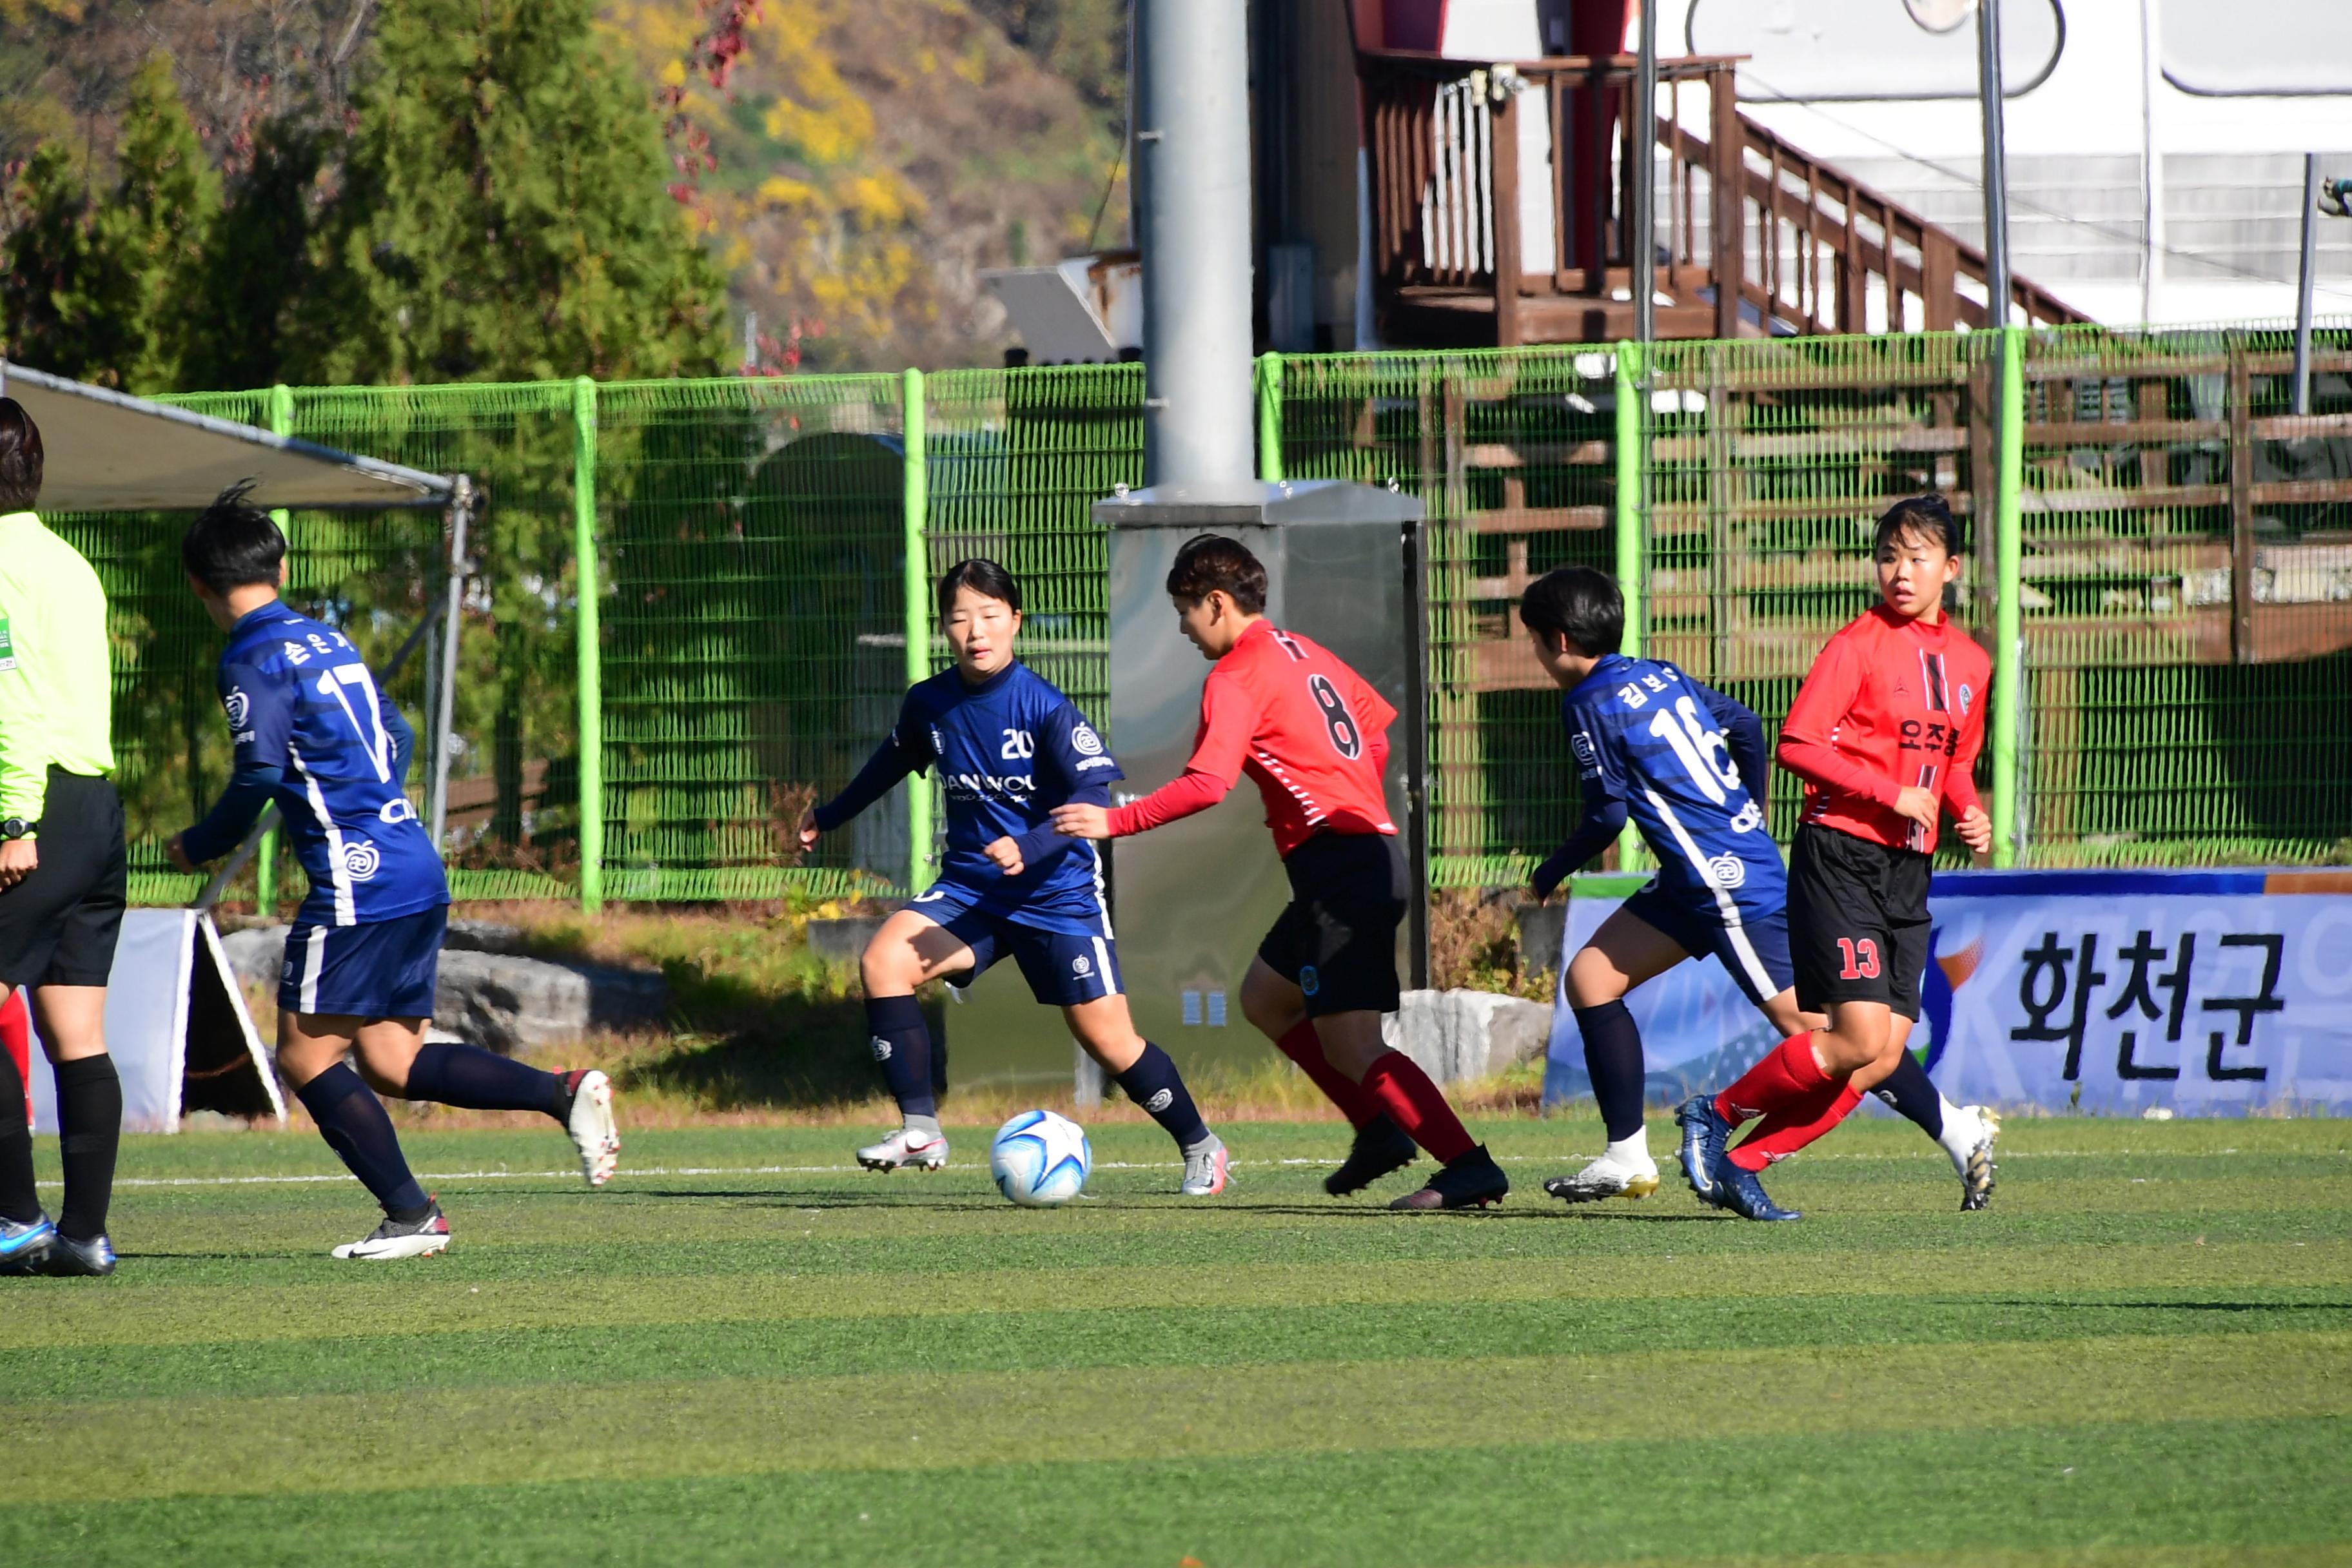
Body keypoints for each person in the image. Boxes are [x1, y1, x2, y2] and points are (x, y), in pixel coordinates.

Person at [167, 484, 620, 1259]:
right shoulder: (327, 638)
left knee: (305, 1055)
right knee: (391, 1059)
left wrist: (201, 841)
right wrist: (370, 800)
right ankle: (561, 1091)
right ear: (279, 566)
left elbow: (257, 774)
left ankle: (412, 1214)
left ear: (199, 584)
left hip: (358, 878)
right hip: (410, 858)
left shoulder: (248, 656)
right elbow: (399, 732)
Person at [1518, 565, 1997, 1214]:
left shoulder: (1587, 702)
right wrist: (1748, 813)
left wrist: (1549, 871)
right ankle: (1627, 1152)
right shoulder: (1658, 673)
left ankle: (1954, 1126)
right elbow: (1744, 724)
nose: (1539, 658)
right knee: (1592, 979)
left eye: (1536, 643)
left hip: (1725, 886)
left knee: (1832, 1037)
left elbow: (1605, 815)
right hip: (1699, 877)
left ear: (1559, 639)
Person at [1052, 534, 1507, 1211]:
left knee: (1353, 1042)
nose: (1182, 627)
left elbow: (1207, 782)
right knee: (1266, 998)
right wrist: (1348, 789)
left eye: (1184, 610)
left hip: (1342, 867)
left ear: (1215, 601)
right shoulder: (1304, 651)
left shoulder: (1236, 675)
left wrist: (1114, 823)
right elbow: (1375, 728)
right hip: (1363, 855)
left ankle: (1469, 1164)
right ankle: (1379, 1127)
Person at [799, 558, 1228, 1196]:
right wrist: (828, 814)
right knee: (885, 960)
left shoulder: (1044, 706)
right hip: (973, 889)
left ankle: (1202, 1145)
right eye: (960, 617)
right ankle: (922, 1128)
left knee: (1109, 1041)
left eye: (990, 615)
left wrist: (1030, 845)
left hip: (1058, 894)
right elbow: (888, 765)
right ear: (944, 627)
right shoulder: (930, 702)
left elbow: (1093, 797)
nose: (976, 630)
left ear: (1015, 621)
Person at [1675, 494, 1995, 1220]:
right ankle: (1715, 1114)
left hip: (1908, 871)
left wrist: (1968, 812)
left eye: (1916, 558)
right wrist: (1889, 793)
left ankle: (1741, 1164)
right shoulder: (1856, 644)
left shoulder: (1973, 661)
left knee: (1880, 1057)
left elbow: (1954, 765)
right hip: (1842, 855)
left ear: (1951, 566)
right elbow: (1796, 743)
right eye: (1888, 556)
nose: (1899, 572)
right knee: (1853, 1037)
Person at [0, 398, 128, 1277]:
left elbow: (10, 700)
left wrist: (12, 820)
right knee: (77, 1033)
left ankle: (14, 1220)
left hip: (34, 806)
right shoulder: (70, 561)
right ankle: (85, 1235)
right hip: (96, 807)